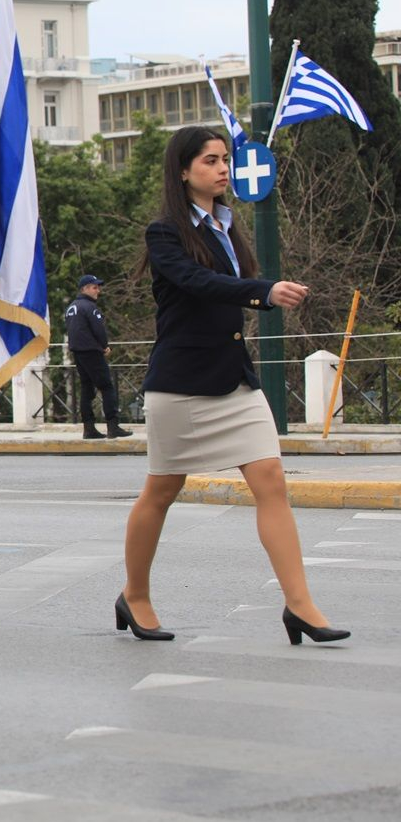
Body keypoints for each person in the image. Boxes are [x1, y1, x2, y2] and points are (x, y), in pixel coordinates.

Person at [118, 126, 349, 647]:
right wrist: (263, 291)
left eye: (225, 160)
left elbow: (225, 290)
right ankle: (134, 594)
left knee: (271, 479)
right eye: (209, 161)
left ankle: (300, 606)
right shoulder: (165, 233)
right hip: (180, 383)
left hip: (234, 382)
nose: (223, 169)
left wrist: (259, 292)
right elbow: (198, 283)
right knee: (161, 491)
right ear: (183, 171)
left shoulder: (226, 225)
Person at [66, 275, 132, 440]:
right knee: (107, 387)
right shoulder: (89, 307)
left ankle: (88, 428)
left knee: (86, 389)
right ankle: (113, 426)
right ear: (85, 289)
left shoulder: (72, 307)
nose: (98, 291)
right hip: (92, 351)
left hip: (78, 352)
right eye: (95, 287)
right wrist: (104, 346)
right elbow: (99, 329)